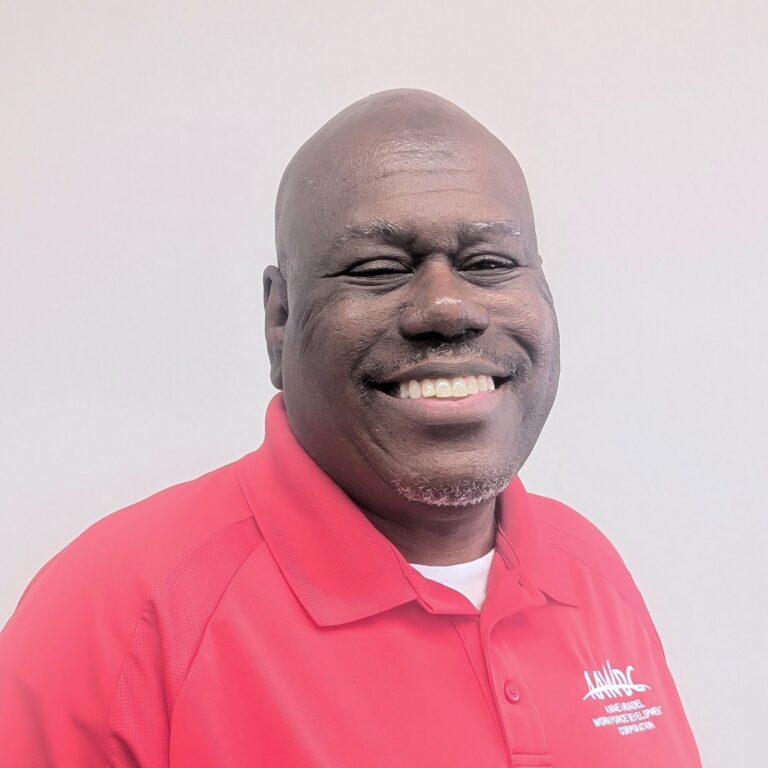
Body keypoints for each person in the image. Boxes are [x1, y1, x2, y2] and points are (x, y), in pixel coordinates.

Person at [0, 89, 702, 766]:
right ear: (279, 319)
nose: (448, 307)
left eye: (489, 263)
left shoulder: (590, 571)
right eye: (377, 269)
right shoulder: (116, 615)